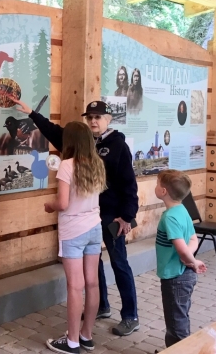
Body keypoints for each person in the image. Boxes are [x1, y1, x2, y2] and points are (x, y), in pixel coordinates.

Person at [12, 98, 140, 336]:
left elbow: (129, 185)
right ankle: (100, 306)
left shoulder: (118, 145)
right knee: (94, 266)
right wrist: (32, 113)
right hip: (89, 219)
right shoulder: (80, 143)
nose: (93, 121)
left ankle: (130, 315)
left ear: (108, 119)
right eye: (89, 117)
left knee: (119, 262)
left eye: (98, 117)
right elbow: (54, 131)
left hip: (112, 216)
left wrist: (127, 216)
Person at [44, 121, 106, 354]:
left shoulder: (67, 165)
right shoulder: (98, 163)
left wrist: (49, 206)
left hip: (73, 230)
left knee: (74, 286)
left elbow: (62, 203)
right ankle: (86, 336)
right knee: (92, 283)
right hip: (94, 228)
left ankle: (71, 342)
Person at [154, 170, 207, 348]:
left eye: (157, 183)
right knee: (180, 316)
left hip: (175, 277)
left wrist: (192, 261)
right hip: (184, 275)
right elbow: (193, 239)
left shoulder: (169, 217)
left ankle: (180, 350)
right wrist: (190, 259)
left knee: (176, 324)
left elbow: (182, 249)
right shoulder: (182, 209)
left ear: (163, 191)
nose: (156, 186)